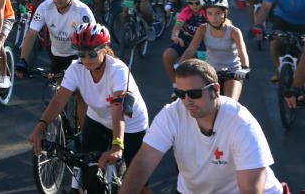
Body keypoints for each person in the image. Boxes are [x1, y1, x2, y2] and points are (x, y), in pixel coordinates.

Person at [119, 59, 282, 194]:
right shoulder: (173, 113)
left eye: (194, 94)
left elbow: (252, 189)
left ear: (215, 90)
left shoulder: (241, 123)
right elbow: (143, 162)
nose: (187, 101)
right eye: (181, 94)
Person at [28, 23, 150, 194]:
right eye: (81, 54)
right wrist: (41, 126)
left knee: (139, 183)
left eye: (92, 53)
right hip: (98, 119)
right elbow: (59, 100)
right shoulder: (76, 68)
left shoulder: (118, 70)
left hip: (130, 124)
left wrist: (117, 145)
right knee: (88, 174)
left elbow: (118, 109)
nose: (86, 59)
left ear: (104, 49)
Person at [17, 0, 95, 80]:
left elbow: (94, 40)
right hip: (57, 55)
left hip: (78, 56)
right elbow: (31, 34)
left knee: (79, 91)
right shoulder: (45, 7)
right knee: (58, 91)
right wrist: (23, 60)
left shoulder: (83, 12)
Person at [179, 0, 249, 101]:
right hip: (211, 72)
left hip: (233, 72)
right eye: (210, 14)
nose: (214, 18)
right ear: (206, 14)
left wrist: (245, 68)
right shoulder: (202, 29)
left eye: (218, 13)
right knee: (201, 102)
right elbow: (191, 49)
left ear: (224, 13)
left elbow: (242, 51)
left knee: (230, 104)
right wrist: (180, 64)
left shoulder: (234, 31)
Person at [253, 0, 305, 80]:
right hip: (283, 20)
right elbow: (265, 7)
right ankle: (279, 69)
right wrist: (258, 24)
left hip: (303, 22)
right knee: (274, 42)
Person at [164, 0, 208, 86]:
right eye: (190, 3)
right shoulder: (186, 11)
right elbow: (178, 25)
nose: (194, 6)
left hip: (202, 44)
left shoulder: (207, 12)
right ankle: (176, 84)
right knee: (167, 55)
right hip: (185, 41)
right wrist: (175, 36)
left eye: (197, 2)